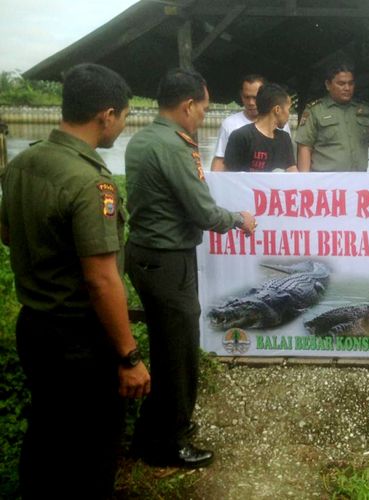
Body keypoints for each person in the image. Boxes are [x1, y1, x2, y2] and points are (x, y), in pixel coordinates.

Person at [0, 63, 151, 498]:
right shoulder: (90, 182)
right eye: (123, 117)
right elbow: (102, 280)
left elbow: (8, 235)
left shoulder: (24, 162)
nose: (122, 127)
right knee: (92, 447)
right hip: (80, 339)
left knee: (46, 431)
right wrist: (129, 357)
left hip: (34, 327)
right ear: (106, 115)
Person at [125, 68, 257, 468]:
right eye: (202, 108)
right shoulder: (175, 148)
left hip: (145, 254)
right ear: (186, 106)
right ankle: (169, 441)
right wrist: (238, 219)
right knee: (178, 353)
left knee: (167, 348)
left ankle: (153, 430)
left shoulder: (143, 138)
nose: (203, 115)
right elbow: (202, 211)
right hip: (168, 260)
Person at [295, 61, 369, 172]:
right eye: (341, 83)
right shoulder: (315, 111)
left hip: (358, 182)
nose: (347, 88)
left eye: (350, 83)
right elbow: (305, 147)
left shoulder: (363, 110)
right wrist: (305, 182)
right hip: (327, 183)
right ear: (328, 85)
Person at [210, 74, 291, 171]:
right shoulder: (231, 125)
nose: (251, 102)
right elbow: (221, 161)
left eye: (255, 98)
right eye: (246, 97)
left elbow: (290, 167)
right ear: (241, 95)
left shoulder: (283, 131)